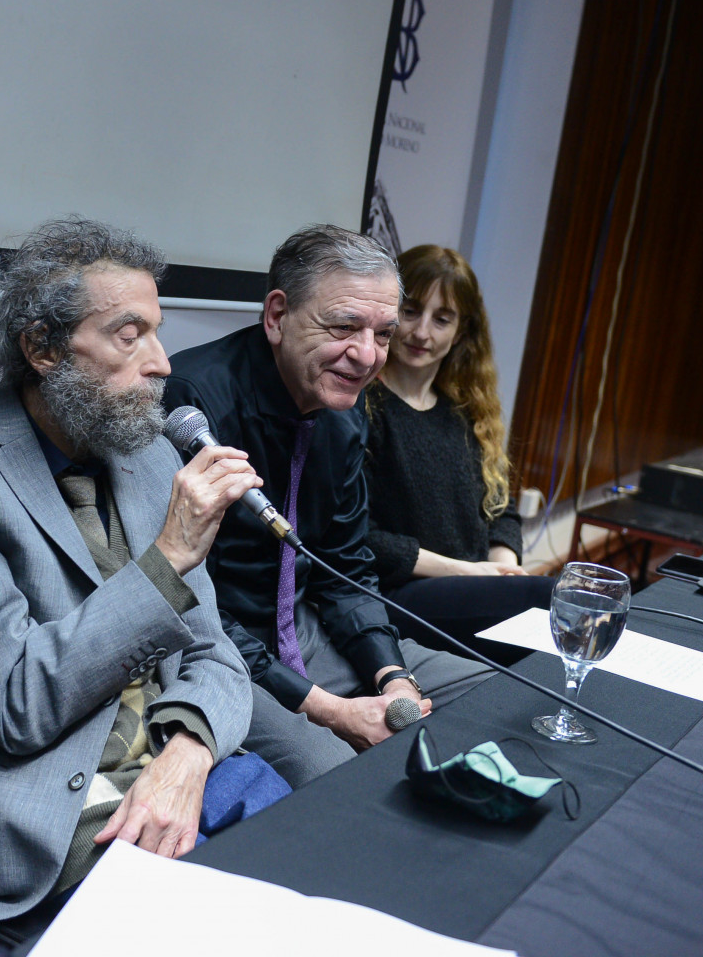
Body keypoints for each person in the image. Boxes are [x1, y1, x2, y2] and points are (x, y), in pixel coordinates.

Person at [0, 219, 255, 943]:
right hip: (50, 815)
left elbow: (218, 658)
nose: (159, 363)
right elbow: (18, 703)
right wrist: (168, 558)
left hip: (176, 783)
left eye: (157, 331)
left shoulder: (147, 458)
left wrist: (187, 753)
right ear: (43, 348)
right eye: (128, 334)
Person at [164, 225, 492, 788]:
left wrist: (391, 676)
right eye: (344, 327)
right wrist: (329, 710)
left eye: (383, 334)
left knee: (492, 694)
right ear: (276, 317)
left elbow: (345, 568)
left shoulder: (345, 409)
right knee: (336, 775)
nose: (367, 357)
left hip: (307, 630)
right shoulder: (193, 401)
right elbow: (190, 604)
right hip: (219, 652)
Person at [364, 244, 553, 666]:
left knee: (555, 611)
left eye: (442, 319)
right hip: (395, 595)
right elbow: (360, 537)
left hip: (471, 585)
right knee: (553, 599)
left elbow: (501, 511)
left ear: (462, 332)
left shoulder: (465, 413)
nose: (422, 333)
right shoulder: (362, 408)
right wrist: (469, 573)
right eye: (410, 311)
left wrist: (502, 570)